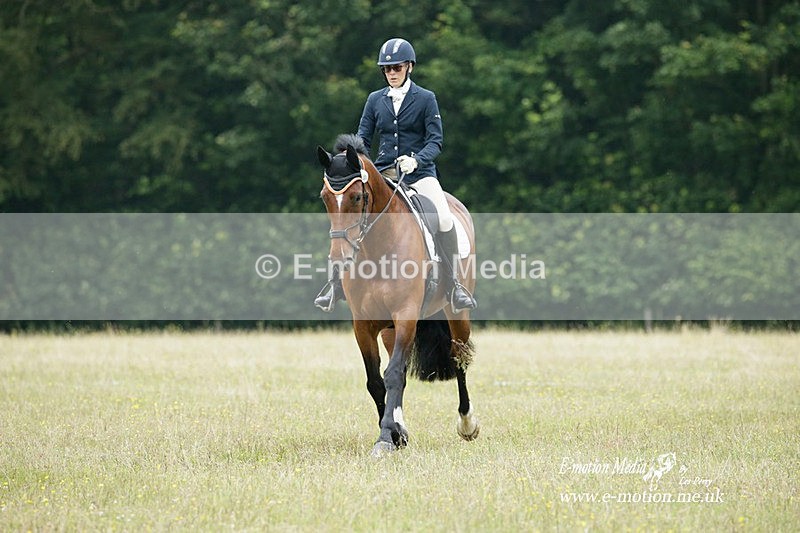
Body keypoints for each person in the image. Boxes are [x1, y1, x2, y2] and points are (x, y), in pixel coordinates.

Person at [315, 37, 476, 313]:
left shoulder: (426, 99)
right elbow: (362, 138)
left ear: (409, 67)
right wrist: (350, 160)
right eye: (387, 69)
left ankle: (453, 285)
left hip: (421, 174)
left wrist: (416, 160)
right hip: (384, 173)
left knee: (444, 218)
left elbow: (435, 141)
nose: (391, 73)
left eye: (397, 68)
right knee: (349, 218)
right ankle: (335, 284)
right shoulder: (375, 100)